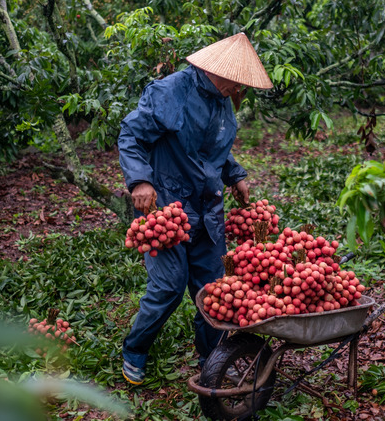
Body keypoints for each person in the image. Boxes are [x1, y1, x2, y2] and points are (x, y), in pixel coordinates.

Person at [117, 32, 273, 385]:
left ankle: (213, 358)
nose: (239, 90)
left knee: (215, 289)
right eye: (238, 83)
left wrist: (235, 175)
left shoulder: (222, 99)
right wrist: (140, 181)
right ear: (224, 74)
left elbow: (211, 148)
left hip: (208, 208)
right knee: (169, 286)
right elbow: (131, 135)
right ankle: (135, 349)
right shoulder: (170, 91)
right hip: (169, 207)